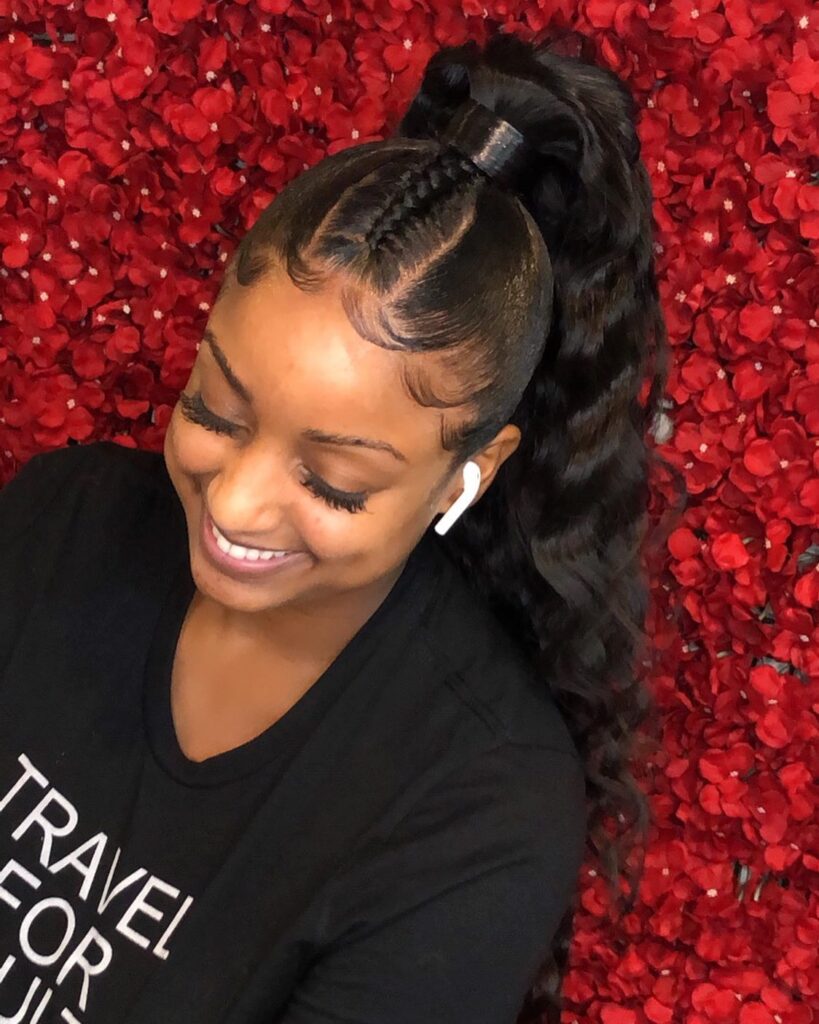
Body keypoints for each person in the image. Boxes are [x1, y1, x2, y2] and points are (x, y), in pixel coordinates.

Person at [0, 31, 672, 1024]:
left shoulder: (477, 808)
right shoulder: (63, 520)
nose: (231, 503)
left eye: (335, 481)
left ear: (465, 479)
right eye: (215, 410)